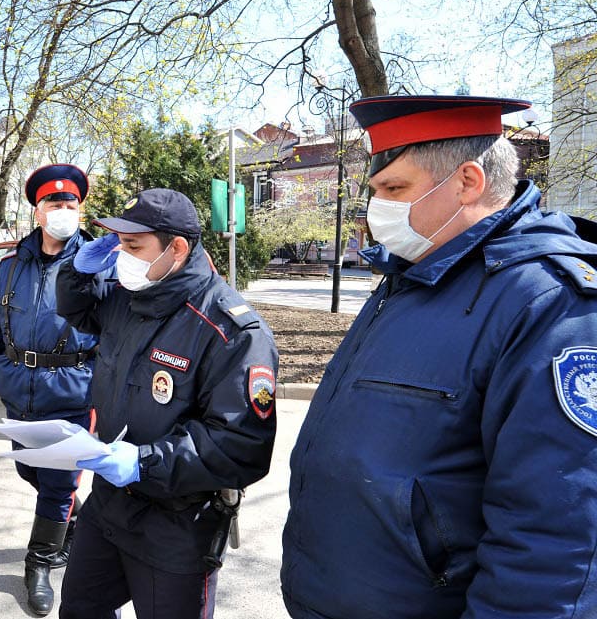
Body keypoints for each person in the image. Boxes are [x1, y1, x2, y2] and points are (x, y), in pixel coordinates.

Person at [281, 95, 597, 619]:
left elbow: (556, 540)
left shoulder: (548, 302)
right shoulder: (410, 273)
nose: (375, 208)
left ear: (467, 182)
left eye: (394, 189)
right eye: (375, 190)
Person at [55, 188, 278, 619]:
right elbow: (77, 309)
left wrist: (145, 462)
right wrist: (78, 272)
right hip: (108, 504)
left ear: (176, 248)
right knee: (80, 608)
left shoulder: (231, 330)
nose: (122, 255)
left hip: (177, 524)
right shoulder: (129, 296)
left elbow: (241, 446)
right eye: (119, 244)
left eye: (133, 246)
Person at [0, 163, 114, 616]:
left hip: (73, 391)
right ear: (37, 211)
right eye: (53, 203)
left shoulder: (98, 266)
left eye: (70, 204)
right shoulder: (11, 267)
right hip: (18, 391)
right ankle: (73, 519)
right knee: (31, 471)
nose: (62, 210)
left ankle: (41, 563)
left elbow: (117, 329)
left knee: (57, 484)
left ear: (80, 210)